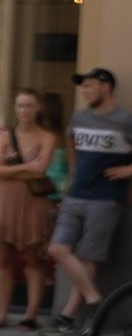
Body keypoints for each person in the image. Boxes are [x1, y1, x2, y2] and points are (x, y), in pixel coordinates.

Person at [51, 65, 132, 319]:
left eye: (89, 86)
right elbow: (71, 146)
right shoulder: (79, 118)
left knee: (88, 257)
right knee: (57, 249)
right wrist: (70, 181)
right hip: (76, 194)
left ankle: (68, 314)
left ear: (105, 87)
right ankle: (93, 296)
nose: (84, 92)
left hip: (106, 198)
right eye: (82, 87)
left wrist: (129, 169)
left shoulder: (125, 120)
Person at [0, 86, 59, 330]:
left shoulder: (47, 137)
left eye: (28, 105)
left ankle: (30, 315)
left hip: (32, 200)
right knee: (4, 259)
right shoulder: (4, 137)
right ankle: (1, 314)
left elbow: (41, 168)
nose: (23, 110)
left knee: (34, 259)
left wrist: (9, 170)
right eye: (19, 105)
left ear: (38, 108)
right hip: (5, 200)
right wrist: (24, 169)